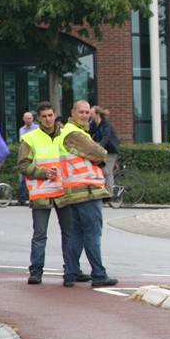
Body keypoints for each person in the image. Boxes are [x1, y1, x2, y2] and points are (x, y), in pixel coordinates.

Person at [59, 100, 117, 288]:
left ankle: (70, 274)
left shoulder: (69, 132)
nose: (85, 116)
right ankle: (99, 275)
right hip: (87, 190)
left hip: (74, 190)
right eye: (81, 112)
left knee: (77, 233)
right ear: (72, 112)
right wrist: (99, 154)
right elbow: (99, 152)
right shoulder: (75, 134)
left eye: (87, 112)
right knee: (93, 233)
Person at [17, 102, 75, 285]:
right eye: (44, 116)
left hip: (64, 192)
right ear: (39, 118)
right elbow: (22, 165)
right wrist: (42, 172)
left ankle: (72, 270)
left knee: (69, 233)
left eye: (50, 115)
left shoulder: (66, 135)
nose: (48, 119)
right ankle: (36, 271)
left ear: (55, 115)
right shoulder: (30, 138)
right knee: (40, 235)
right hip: (42, 193)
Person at [90, 106, 121, 195]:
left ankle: (110, 193)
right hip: (102, 150)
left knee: (107, 172)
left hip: (110, 150)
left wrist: (99, 147)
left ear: (98, 114)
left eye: (91, 113)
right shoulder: (93, 124)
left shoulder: (106, 124)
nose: (89, 115)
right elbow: (88, 133)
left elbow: (105, 137)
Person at [17, 111, 39, 205]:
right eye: (27, 118)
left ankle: (33, 198)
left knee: (33, 177)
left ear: (33, 118)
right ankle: (21, 199)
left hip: (34, 155)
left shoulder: (37, 128)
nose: (29, 120)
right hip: (25, 155)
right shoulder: (21, 130)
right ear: (23, 119)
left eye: (30, 118)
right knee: (22, 179)